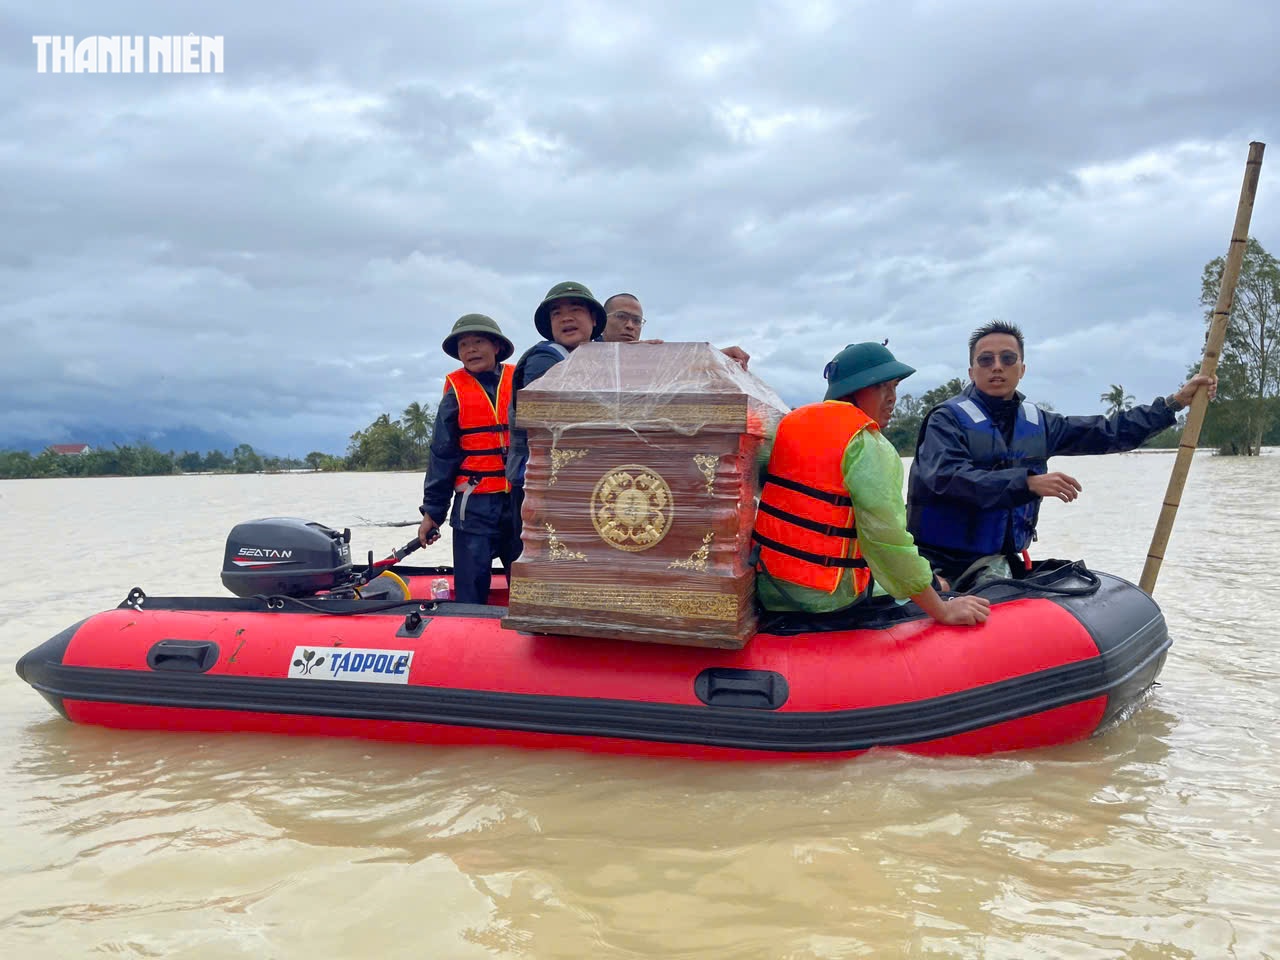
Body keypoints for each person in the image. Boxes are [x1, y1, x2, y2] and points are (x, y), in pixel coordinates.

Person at [906, 319, 1218, 587]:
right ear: (972, 371)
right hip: (941, 563)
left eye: (1007, 358)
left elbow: (1108, 432)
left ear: (1022, 369)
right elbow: (946, 478)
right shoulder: (945, 420)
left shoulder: (1038, 422)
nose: (997, 366)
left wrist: (1174, 403)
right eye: (986, 360)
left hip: (1000, 560)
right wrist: (1026, 482)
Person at [753, 341, 991, 626]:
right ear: (855, 389)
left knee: (924, 576)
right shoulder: (868, 445)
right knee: (938, 583)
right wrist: (942, 608)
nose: (892, 398)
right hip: (829, 598)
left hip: (770, 585)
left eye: (894, 387)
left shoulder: (787, 425)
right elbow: (887, 543)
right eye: (882, 387)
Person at [416, 314, 521, 604]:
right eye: (464, 345)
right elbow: (442, 454)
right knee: (471, 589)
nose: (471, 349)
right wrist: (432, 513)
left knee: (529, 585)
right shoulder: (455, 392)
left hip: (519, 503)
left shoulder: (520, 379)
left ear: (497, 346)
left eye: (478, 342)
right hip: (474, 506)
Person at [506, 281, 609, 536]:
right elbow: (552, 415)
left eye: (575, 310)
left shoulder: (604, 355)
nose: (566, 318)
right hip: (541, 485)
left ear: (593, 319)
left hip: (584, 481)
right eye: (557, 314)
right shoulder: (543, 360)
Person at [601, 292, 752, 370]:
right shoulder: (581, 352)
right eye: (621, 316)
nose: (630, 325)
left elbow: (680, 364)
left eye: (637, 321)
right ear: (602, 320)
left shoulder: (647, 358)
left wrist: (718, 358)